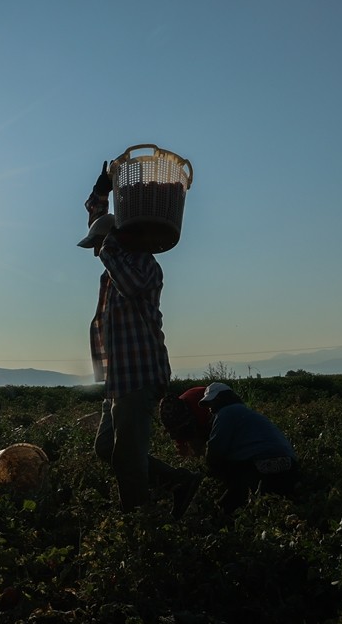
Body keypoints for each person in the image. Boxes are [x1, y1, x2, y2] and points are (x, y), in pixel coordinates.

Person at [81, 160, 201, 518]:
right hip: (119, 377)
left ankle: (137, 523)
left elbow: (128, 281)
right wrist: (100, 193)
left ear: (116, 241)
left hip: (140, 374)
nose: (98, 250)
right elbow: (101, 229)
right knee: (108, 448)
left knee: (128, 458)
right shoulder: (115, 264)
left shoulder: (144, 266)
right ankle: (179, 481)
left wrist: (108, 242)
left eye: (103, 244)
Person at [160, 382, 300, 514]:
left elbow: (215, 453)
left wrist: (207, 474)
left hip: (259, 466)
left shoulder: (225, 414)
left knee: (225, 507)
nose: (209, 410)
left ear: (219, 401)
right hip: (291, 467)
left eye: (210, 405)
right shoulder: (249, 414)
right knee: (277, 499)